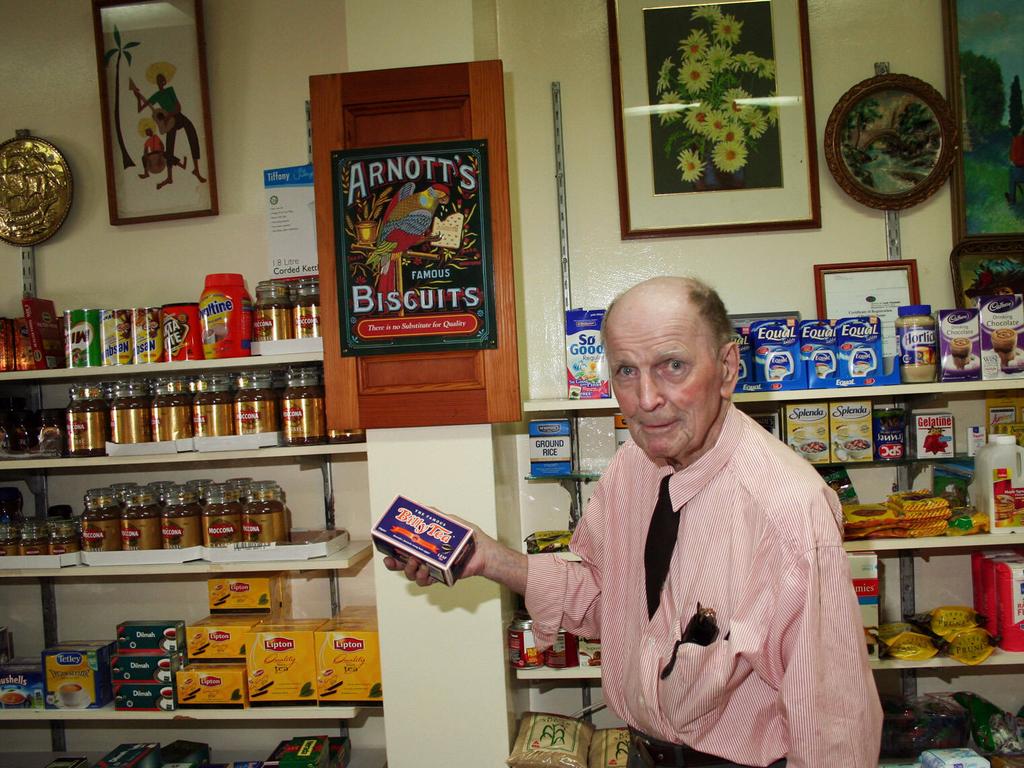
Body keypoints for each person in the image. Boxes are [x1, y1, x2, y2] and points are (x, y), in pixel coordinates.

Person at [385, 276, 883, 768]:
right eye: (626, 371)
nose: (646, 399)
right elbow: (612, 605)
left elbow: (833, 725)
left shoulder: (788, 506)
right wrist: (490, 558)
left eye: (673, 366)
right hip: (642, 751)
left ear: (727, 368)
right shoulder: (634, 465)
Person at [1006, 127, 1024, 205]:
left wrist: (1012, 161)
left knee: (1012, 177)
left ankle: (1012, 199)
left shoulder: (1017, 140)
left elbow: (1014, 159)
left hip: (1020, 174)